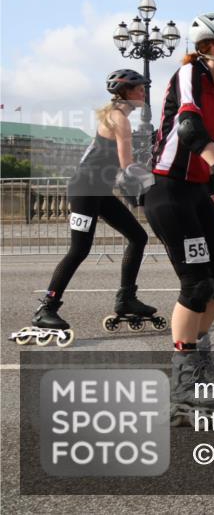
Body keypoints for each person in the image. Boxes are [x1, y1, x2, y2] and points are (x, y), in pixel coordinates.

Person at [143, 12, 214, 420]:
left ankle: (198, 362)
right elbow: (189, 129)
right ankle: (183, 383)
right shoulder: (192, 74)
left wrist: (209, 185)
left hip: (194, 192)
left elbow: (198, 143)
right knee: (197, 282)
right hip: (168, 191)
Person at [9, 69, 157, 348]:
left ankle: (126, 298)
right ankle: (47, 308)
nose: (144, 93)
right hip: (84, 189)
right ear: (126, 91)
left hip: (99, 190)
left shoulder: (117, 115)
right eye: (140, 88)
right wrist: (156, 183)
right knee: (79, 249)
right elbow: (127, 166)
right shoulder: (119, 119)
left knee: (138, 237)